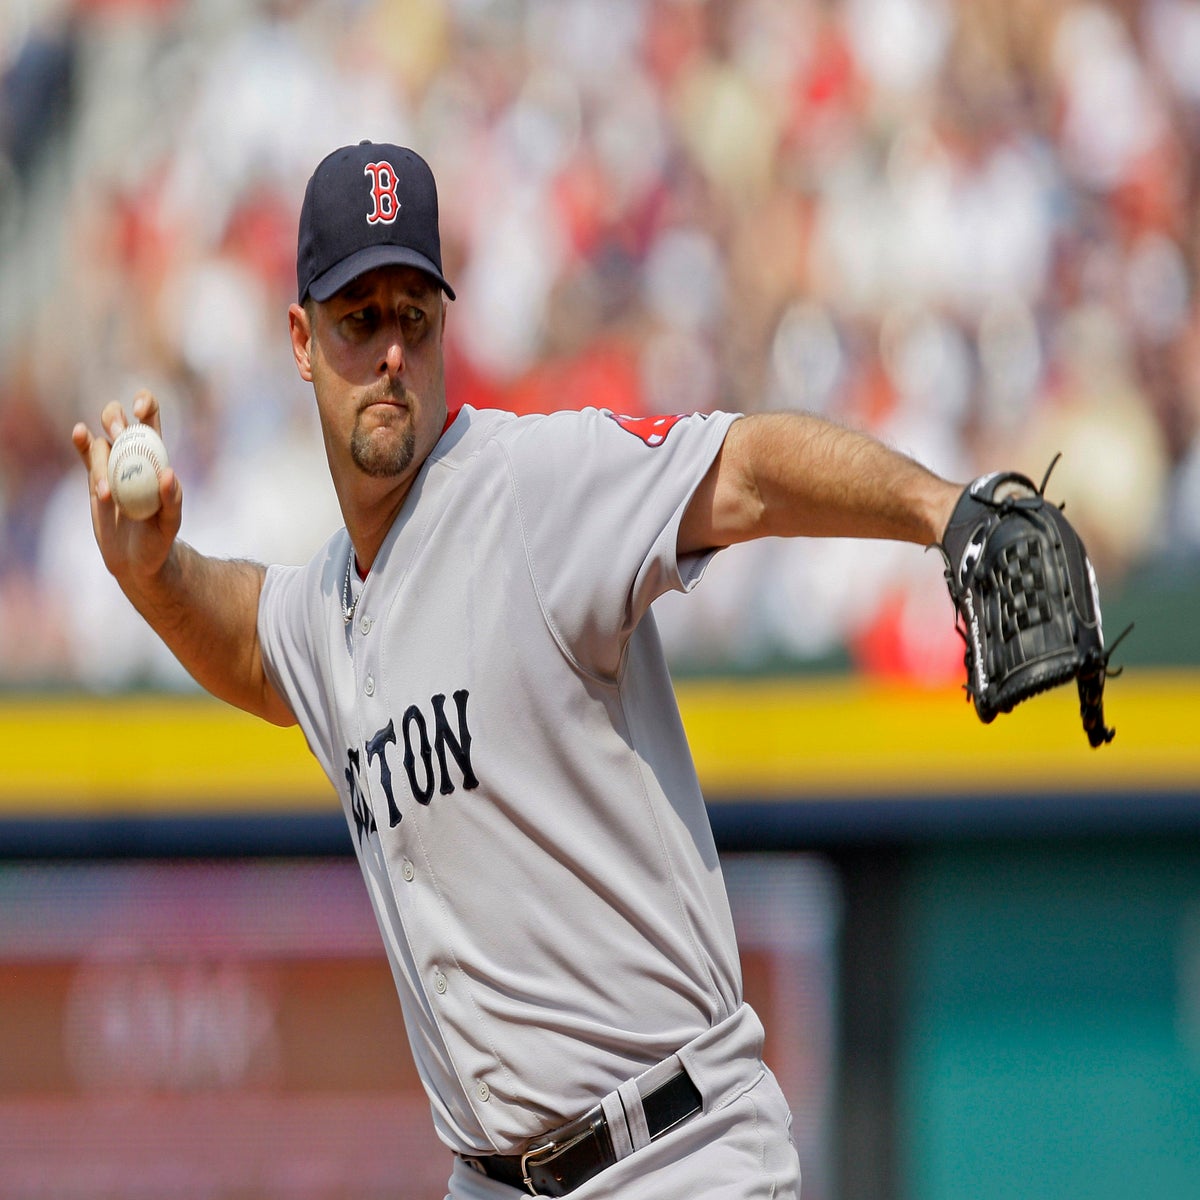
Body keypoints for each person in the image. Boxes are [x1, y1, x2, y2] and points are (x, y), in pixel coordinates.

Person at [73, 141, 963, 1199]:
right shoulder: (327, 611)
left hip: (672, 1156)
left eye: (416, 314)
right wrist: (151, 570)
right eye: (362, 319)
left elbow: (749, 472)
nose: (393, 350)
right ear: (304, 342)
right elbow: (250, 638)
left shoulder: (530, 487)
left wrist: (946, 513)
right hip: (493, 1181)